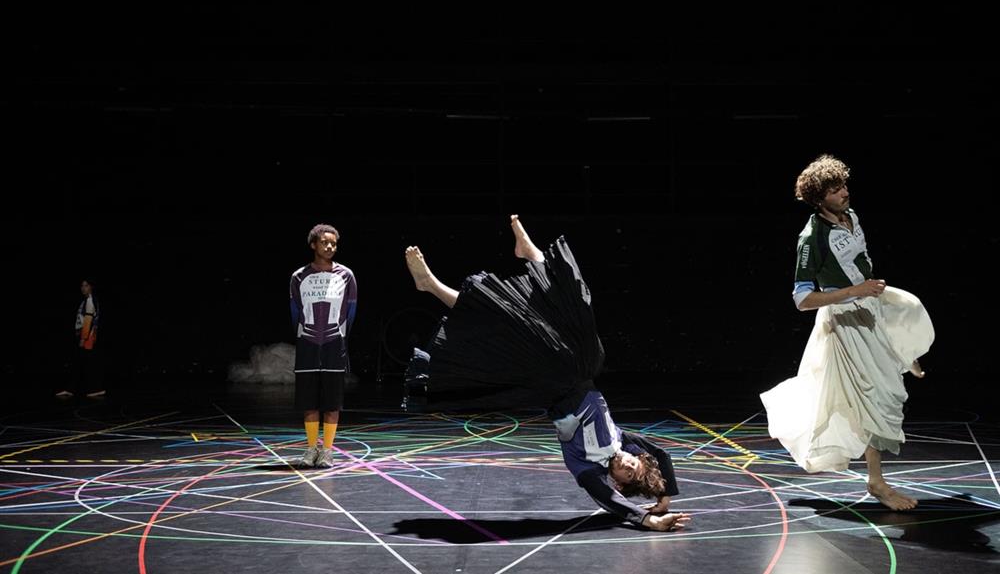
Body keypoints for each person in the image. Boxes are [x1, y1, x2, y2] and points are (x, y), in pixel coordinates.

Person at [403, 215, 690, 531]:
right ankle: (532, 255)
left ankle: (430, 284)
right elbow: (660, 453)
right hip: (580, 367)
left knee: (498, 319)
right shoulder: (622, 442)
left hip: (550, 380)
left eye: (627, 472)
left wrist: (648, 520)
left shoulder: (587, 469)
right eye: (633, 462)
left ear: (619, 482)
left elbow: (608, 500)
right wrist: (665, 497)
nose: (626, 463)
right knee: (574, 303)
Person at [760, 155, 934, 510]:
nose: (844, 193)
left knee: (911, 309)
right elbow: (802, 299)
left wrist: (867, 290)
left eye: (844, 185)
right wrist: (855, 292)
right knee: (877, 399)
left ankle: (901, 355)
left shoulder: (851, 218)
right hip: (845, 321)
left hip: (869, 306)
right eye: (835, 190)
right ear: (819, 197)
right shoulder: (811, 238)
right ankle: (877, 483)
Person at [290, 224, 358, 468]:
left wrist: (339, 337)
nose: (329, 246)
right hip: (307, 344)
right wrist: (303, 336)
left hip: (334, 344)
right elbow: (295, 311)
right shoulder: (299, 276)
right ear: (313, 245)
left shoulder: (346, 275)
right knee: (309, 401)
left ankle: (327, 451)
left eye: (334, 243)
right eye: (324, 242)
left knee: (332, 401)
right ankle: (311, 450)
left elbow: (351, 311)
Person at [56, 279, 105, 399]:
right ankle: (73, 389)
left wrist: (83, 338)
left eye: (86, 285)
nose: (83, 288)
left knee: (85, 363)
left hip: (87, 337)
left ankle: (93, 389)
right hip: (86, 336)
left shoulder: (90, 300)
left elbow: (88, 320)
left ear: (91, 287)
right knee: (81, 363)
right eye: (82, 286)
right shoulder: (86, 300)